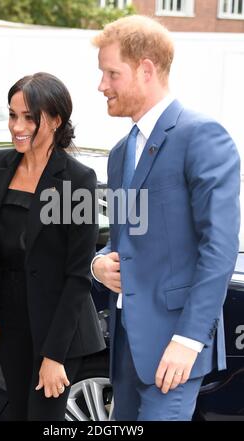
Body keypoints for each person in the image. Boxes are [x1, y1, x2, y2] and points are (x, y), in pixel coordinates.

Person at [91, 15, 240, 421]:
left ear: (146, 70)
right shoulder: (121, 152)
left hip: (176, 348)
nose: (101, 85)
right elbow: (120, 239)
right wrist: (99, 263)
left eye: (111, 73)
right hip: (126, 349)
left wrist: (189, 339)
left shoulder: (202, 136)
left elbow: (220, 247)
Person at [0, 72, 105, 421]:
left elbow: (77, 277)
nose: (17, 126)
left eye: (29, 117)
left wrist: (54, 355)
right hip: (11, 323)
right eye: (13, 115)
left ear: (55, 120)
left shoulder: (77, 179)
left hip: (57, 329)